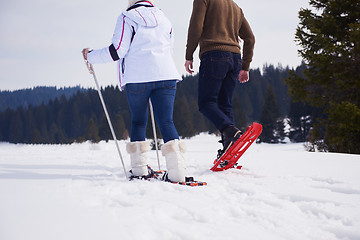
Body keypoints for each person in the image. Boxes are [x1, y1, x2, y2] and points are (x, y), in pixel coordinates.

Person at [82, 0, 186, 182]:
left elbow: (117, 51)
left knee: (138, 122)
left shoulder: (126, 18)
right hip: (166, 75)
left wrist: (90, 55)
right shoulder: (164, 18)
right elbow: (169, 47)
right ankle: (177, 172)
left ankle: (139, 170)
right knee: (167, 122)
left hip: (137, 78)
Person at [184, 0, 255, 157]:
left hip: (214, 55)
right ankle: (229, 150)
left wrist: (189, 55)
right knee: (225, 104)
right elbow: (250, 38)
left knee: (206, 103)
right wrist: (245, 66)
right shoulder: (235, 7)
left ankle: (229, 131)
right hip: (235, 58)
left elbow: (196, 27)